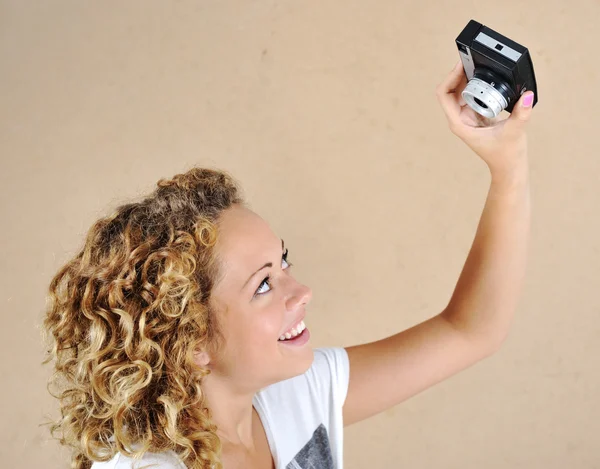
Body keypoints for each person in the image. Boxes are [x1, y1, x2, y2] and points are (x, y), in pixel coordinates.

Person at [42, 62, 535, 469]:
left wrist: (507, 170)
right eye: (262, 285)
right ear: (191, 341)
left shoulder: (294, 393)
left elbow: (471, 330)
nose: (301, 292)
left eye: (283, 263)